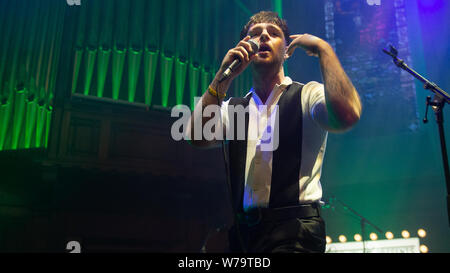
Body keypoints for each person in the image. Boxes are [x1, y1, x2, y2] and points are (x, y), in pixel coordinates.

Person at [187, 11, 362, 253]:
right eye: (255, 34)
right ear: (244, 48)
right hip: (245, 234)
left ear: (287, 49)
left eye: (273, 33)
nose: (264, 37)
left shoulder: (307, 94)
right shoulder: (236, 109)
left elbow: (347, 115)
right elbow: (197, 136)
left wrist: (324, 50)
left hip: (296, 231)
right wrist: (222, 76)